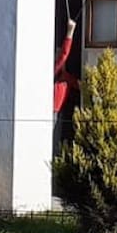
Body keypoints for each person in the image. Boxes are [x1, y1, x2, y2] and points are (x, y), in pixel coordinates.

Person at [53, 19, 79, 155]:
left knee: (56, 142)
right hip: (49, 112)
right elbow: (63, 55)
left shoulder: (65, 76)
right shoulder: (53, 71)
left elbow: (79, 85)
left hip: (58, 113)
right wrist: (70, 32)